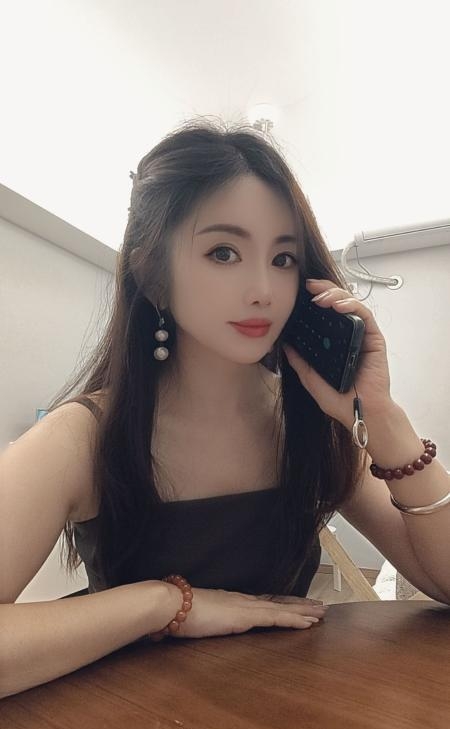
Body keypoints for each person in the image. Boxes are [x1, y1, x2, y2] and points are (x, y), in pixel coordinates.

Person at [1, 118, 449, 698]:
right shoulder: (83, 437)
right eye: (223, 252)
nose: (263, 289)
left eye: (283, 258)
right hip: (127, 722)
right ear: (152, 275)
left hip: (288, 711)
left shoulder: (312, 425)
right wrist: (165, 603)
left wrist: (381, 418)